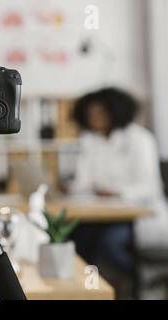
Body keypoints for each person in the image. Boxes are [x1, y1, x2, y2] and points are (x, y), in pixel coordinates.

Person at [69, 87, 168, 296]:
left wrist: (117, 192)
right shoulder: (91, 141)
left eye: (100, 113)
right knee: (78, 239)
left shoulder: (140, 139)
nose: (94, 119)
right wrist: (68, 188)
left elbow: (150, 186)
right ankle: (92, 290)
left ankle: (142, 280)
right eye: (91, 114)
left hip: (136, 215)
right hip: (101, 215)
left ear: (115, 112)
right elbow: (84, 182)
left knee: (109, 244)